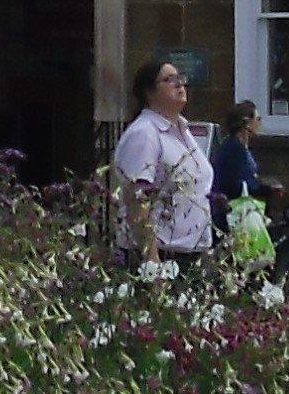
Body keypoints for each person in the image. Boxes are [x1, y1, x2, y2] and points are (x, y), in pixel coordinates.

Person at [114, 56, 212, 265]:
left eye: (180, 78)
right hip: (161, 255)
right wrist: (152, 261)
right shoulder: (145, 133)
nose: (179, 84)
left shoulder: (183, 131)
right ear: (149, 92)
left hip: (190, 254)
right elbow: (137, 199)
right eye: (168, 80)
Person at [210, 98, 267, 244]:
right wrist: (262, 189)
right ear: (247, 124)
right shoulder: (234, 149)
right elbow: (238, 183)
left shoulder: (239, 147)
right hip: (230, 214)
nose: (260, 123)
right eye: (258, 119)